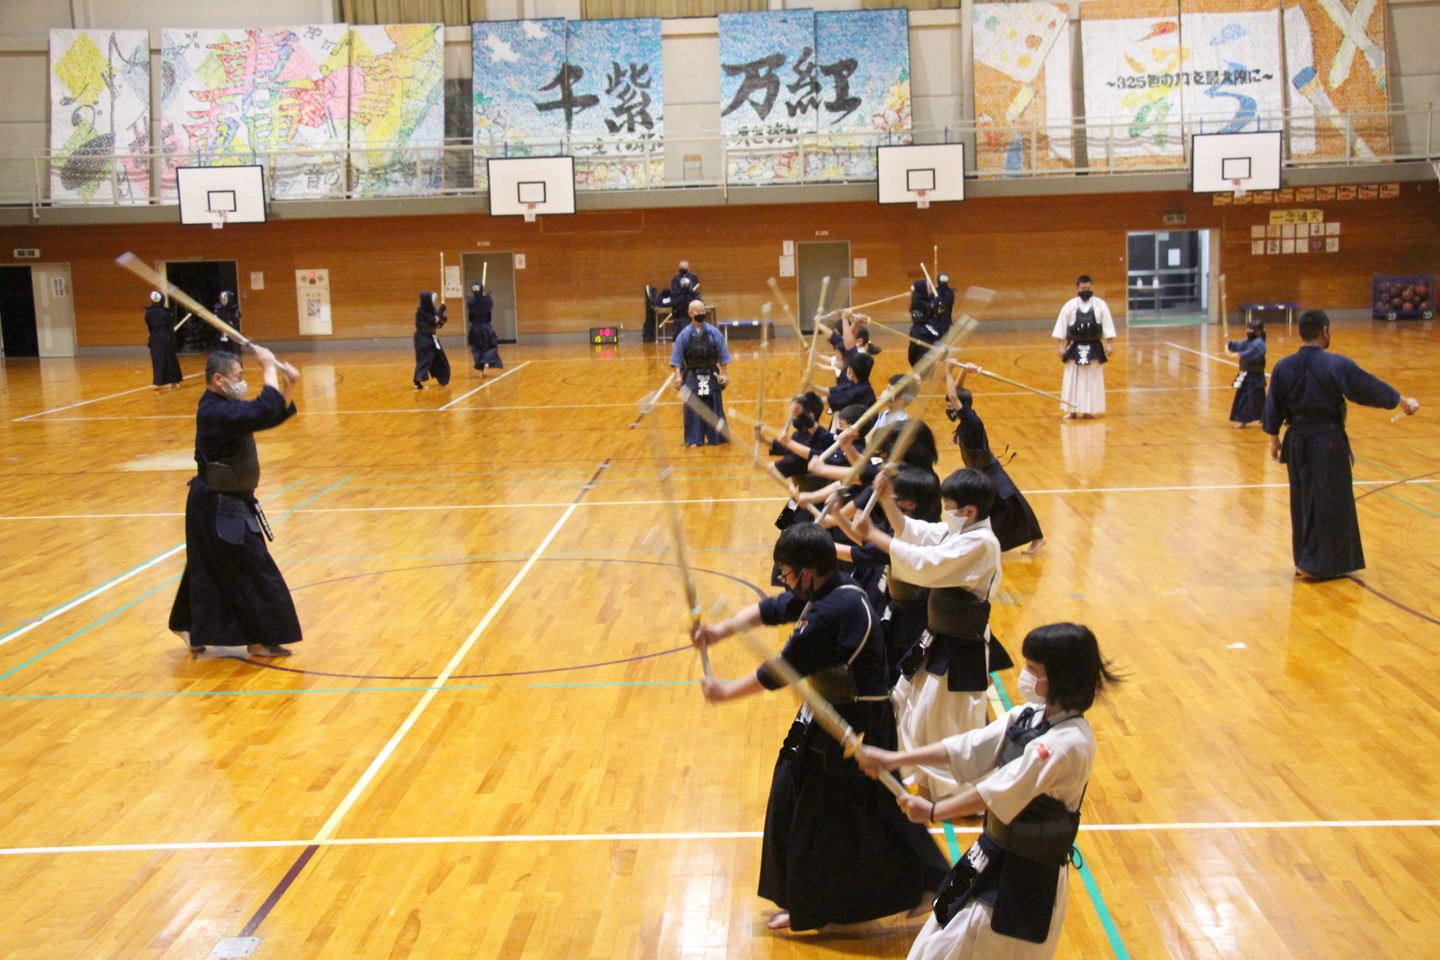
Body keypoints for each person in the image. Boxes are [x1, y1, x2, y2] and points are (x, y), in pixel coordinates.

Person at [695, 523, 951, 932]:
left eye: (788, 573)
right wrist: (719, 631)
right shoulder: (828, 589)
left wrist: (726, 692)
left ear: (809, 572)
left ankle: (830, 902)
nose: (785, 581)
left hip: (857, 721)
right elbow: (773, 608)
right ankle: (928, 881)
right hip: (830, 711)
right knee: (815, 794)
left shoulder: (834, 609)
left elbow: (782, 670)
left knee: (836, 811)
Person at [856, 622, 1121, 960]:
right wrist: (895, 758)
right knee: (930, 944)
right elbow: (968, 746)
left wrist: (934, 811)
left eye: (1033, 669)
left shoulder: (1069, 744)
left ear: (1060, 677)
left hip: (1027, 877)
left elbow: (998, 791)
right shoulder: (1027, 716)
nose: (1025, 675)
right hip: (987, 853)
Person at [834, 468, 1005, 800]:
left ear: (969, 511)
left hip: (961, 648)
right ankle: (928, 787)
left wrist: (874, 534)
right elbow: (915, 532)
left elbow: (926, 564)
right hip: (933, 639)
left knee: (947, 720)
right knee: (909, 706)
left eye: (950, 507)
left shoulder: (981, 543)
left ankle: (960, 796)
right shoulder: (959, 531)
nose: (945, 512)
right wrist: (887, 498)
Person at [1262, 310, 1419, 580]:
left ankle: (1307, 559)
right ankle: (1315, 564)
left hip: (1296, 442)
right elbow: (1368, 388)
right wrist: (1402, 402)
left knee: (1302, 501)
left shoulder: (1283, 366)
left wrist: (1274, 440)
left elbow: (1273, 405)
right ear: (1325, 331)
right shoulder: (1336, 364)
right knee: (1328, 502)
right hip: (1327, 443)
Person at [169, 347, 302, 658]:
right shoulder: (213, 411)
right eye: (238, 376)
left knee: (211, 567)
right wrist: (268, 368)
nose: (242, 382)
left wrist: (288, 387)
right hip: (216, 505)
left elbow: (266, 416)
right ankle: (259, 638)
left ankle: (188, 624)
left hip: (226, 502)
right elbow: (259, 410)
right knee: (253, 567)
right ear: (219, 380)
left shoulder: (226, 407)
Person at [946, 362, 1045, 554]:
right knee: (995, 509)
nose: (949, 407)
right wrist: (963, 371)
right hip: (979, 472)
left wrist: (948, 371)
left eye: (951, 404)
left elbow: (954, 396)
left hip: (990, 472)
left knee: (1013, 506)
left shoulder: (972, 422)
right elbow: (955, 394)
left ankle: (1036, 538)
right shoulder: (964, 416)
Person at [1052, 276, 1116, 419]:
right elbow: (1061, 327)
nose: (1086, 290)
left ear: (1092, 287)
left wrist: (1109, 344)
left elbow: (1108, 326)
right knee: (1072, 380)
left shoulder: (1100, 304)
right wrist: (1060, 347)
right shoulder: (1069, 306)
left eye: (1088, 288)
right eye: (1083, 288)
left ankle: (1088, 410)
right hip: (1075, 347)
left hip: (1094, 347)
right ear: (1077, 288)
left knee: (1092, 379)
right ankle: (1072, 411)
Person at [670, 300, 731, 447]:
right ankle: (694, 439)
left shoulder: (714, 333)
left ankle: (717, 437)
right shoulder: (684, 335)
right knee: (692, 406)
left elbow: (723, 354)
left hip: (711, 373)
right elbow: (677, 357)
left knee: (713, 405)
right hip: (692, 374)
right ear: (690, 314)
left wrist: (725, 374)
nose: (701, 313)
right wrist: (678, 376)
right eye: (698, 311)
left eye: (703, 311)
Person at [1226, 317, 1266, 427]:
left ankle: (1246, 419)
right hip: (1245, 373)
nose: (1248, 332)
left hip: (1254, 375)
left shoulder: (1259, 343)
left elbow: (1250, 353)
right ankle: (1263, 417)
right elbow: (1239, 345)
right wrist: (1230, 343)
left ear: (1258, 331)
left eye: (1251, 330)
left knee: (1251, 398)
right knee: (1249, 397)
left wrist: (1236, 355)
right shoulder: (1249, 341)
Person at [813, 351, 876, 416]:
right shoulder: (858, 384)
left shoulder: (860, 391)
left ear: (851, 371)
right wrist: (813, 387)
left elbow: (836, 398)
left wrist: (811, 403)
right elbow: (835, 391)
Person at [144, 291, 183, 390]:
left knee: (157, 360)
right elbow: (170, 326)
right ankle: (174, 382)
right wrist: (172, 337)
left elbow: (149, 326)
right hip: (166, 337)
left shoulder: (148, 312)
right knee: (170, 360)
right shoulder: (166, 312)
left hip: (154, 338)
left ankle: (157, 383)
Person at [413, 291, 451, 389]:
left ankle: (443, 380)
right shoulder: (421, 311)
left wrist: (442, 320)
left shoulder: (431, 311)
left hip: (432, 337)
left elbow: (437, 325)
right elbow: (433, 320)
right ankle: (418, 382)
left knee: (440, 359)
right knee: (425, 359)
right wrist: (441, 310)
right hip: (423, 338)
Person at [466, 282, 502, 377]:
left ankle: (481, 365)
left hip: (474, 328)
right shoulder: (487, 300)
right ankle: (486, 362)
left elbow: (471, 315)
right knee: (491, 346)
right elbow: (488, 307)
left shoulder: (470, 302)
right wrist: (483, 296)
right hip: (486, 327)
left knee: (477, 348)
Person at [909, 279, 942, 368]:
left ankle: (925, 368)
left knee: (928, 350)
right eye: (928, 287)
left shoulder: (924, 298)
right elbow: (930, 306)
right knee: (922, 351)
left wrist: (939, 305)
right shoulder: (917, 300)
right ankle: (921, 369)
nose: (931, 289)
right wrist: (936, 301)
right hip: (920, 331)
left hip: (925, 329)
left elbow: (933, 309)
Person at [214, 290, 242, 357]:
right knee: (221, 351)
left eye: (225, 299)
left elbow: (235, 319)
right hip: (221, 332)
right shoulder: (219, 309)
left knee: (234, 351)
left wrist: (229, 324)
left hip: (232, 333)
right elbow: (215, 319)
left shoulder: (235, 308)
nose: (223, 301)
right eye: (221, 299)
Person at [934, 274, 956, 338]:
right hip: (946, 317)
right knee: (944, 336)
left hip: (936, 318)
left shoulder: (935, 292)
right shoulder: (950, 293)